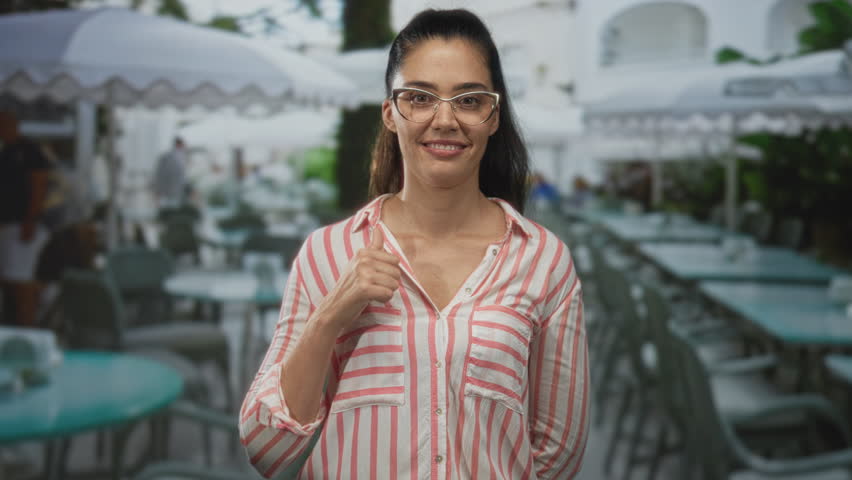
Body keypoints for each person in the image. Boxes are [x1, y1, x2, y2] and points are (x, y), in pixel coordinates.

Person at [240, 9, 589, 479]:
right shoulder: (327, 254)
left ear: (493, 116)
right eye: (420, 98)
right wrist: (329, 318)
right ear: (390, 113)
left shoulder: (543, 261)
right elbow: (266, 446)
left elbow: (558, 451)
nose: (444, 119)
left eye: (469, 100)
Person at [0, 111, 51, 326]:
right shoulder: (6, 150)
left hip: (22, 225)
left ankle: (27, 328)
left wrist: (31, 219)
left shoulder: (29, 150)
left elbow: (39, 184)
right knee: (10, 282)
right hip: (7, 225)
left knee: (23, 282)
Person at [152, 136, 188, 207]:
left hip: (177, 190)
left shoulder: (181, 156)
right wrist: (158, 190)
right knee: (167, 207)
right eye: (183, 145)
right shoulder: (167, 157)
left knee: (174, 206)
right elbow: (160, 174)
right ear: (179, 144)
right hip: (167, 190)